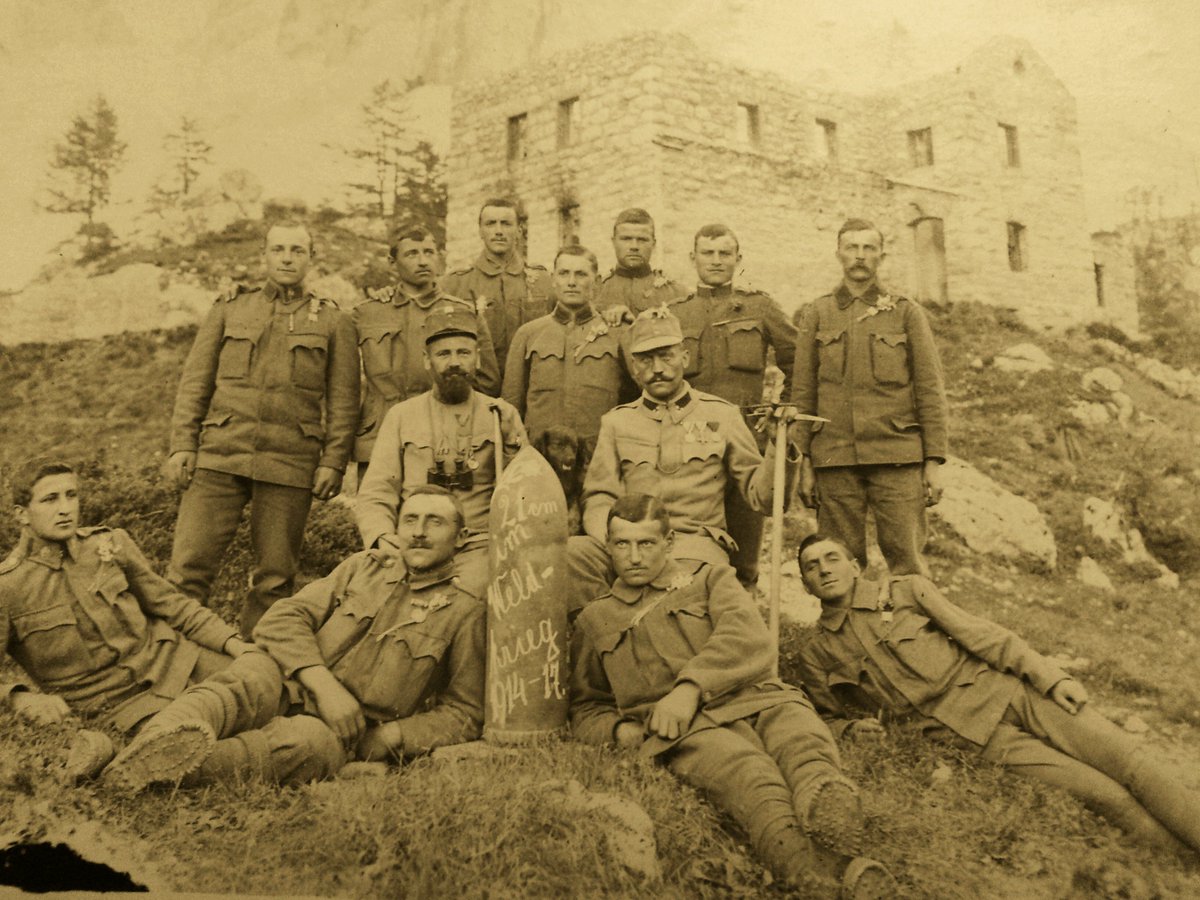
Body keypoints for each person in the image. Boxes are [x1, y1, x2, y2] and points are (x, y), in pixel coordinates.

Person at [570, 495, 896, 898]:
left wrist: (691, 687)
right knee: (751, 779)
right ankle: (821, 878)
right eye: (622, 544)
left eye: (647, 543)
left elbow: (747, 634)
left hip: (759, 698)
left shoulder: (709, 579)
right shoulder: (594, 619)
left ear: (669, 543)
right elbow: (586, 705)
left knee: (802, 744)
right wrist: (621, 733)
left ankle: (828, 802)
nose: (634, 556)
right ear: (609, 547)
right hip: (692, 732)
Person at [794, 534, 1200, 854]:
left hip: (1014, 695)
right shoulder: (816, 654)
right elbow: (825, 718)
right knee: (1107, 796)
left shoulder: (904, 592)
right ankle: (1183, 871)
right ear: (806, 585)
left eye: (832, 558)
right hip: (980, 739)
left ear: (854, 565)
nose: (824, 570)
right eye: (812, 567)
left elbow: (982, 636)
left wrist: (1051, 678)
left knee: (1129, 761)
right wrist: (850, 730)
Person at [102, 487, 484, 791]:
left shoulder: (464, 611)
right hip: (291, 682)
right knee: (247, 676)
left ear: (461, 537)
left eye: (434, 522)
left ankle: (145, 770)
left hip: (342, 729)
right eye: (410, 519)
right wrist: (323, 685)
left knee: (305, 748)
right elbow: (282, 618)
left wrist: (393, 736)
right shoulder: (362, 568)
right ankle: (150, 743)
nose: (418, 531)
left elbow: (465, 712)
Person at [0, 458, 281, 786]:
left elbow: (174, 606)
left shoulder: (107, 544)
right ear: (21, 514)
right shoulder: (9, 588)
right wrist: (20, 697)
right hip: (124, 704)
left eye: (71, 495)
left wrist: (237, 646)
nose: (65, 509)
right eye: (50, 499)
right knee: (195, 745)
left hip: (181, 661)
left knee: (266, 674)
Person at [163, 220, 359, 636]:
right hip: (220, 453)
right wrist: (183, 444)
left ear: (311, 258)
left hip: (290, 460)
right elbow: (195, 381)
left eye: (297, 250)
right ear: (263, 256)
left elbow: (343, 400)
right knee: (187, 569)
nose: (287, 258)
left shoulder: (332, 321)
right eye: (278, 249)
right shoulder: (229, 308)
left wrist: (334, 462)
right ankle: (172, 659)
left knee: (275, 578)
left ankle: (256, 669)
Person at [568, 308, 784, 608]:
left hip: (694, 544)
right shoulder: (617, 423)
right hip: (631, 541)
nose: (657, 368)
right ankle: (603, 639)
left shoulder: (721, 415)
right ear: (634, 366)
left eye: (666, 356)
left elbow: (763, 497)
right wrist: (615, 540)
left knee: (676, 597)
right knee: (574, 555)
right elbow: (599, 495)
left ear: (684, 357)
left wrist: (777, 446)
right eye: (646, 359)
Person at [792, 219, 948, 576]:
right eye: (852, 247)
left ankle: (911, 631)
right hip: (834, 458)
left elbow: (930, 389)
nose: (860, 256)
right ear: (838, 254)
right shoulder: (816, 313)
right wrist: (804, 463)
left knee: (907, 562)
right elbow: (803, 393)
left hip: (897, 456)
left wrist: (934, 461)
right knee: (837, 562)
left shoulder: (906, 312)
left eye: (868, 248)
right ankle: (846, 632)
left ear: (881, 255)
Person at [356, 304, 526, 594]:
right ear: (427, 360)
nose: (454, 362)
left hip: (477, 545)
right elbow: (376, 490)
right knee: (367, 594)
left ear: (478, 359)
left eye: (464, 353)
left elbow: (524, 493)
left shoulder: (501, 415)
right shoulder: (401, 415)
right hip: (415, 543)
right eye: (443, 354)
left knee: (466, 597)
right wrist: (382, 536)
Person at [670, 223, 798, 588]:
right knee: (692, 549)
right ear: (692, 258)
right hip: (690, 448)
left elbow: (798, 359)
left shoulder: (760, 306)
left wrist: (782, 407)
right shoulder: (676, 313)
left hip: (745, 444)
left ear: (738, 259)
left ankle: (743, 630)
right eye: (707, 253)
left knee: (744, 551)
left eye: (725, 253)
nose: (715, 261)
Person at [352, 224, 501, 473]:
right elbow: (347, 389)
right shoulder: (367, 313)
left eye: (429, 252)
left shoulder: (464, 311)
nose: (423, 261)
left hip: (444, 438)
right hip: (380, 437)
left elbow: (487, 381)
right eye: (412, 254)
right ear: (392, 263)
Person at [501, 244, 637, 456]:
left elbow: (640, 398)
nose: (571, 282)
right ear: (553, 279)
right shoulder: (528, 335)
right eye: (564, 274)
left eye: (581, 274)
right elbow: (511, 408)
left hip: (599, 457)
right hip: (540, 457)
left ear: (597, 281)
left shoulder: (619, 334)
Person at [441, 198, 552, 373]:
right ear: (480, 231)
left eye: (506, 224)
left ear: (519, 231)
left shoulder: (544, 282)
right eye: (491, 224)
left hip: (531, 385)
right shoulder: (455, 284)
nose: (498, 231)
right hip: (477, 388)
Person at [594, 208, 685, 317]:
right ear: (613, 242)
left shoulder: (676, 293)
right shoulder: (596, 291)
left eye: (642, 240)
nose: (634, 246)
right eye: (626, 239)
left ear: (653, 244)